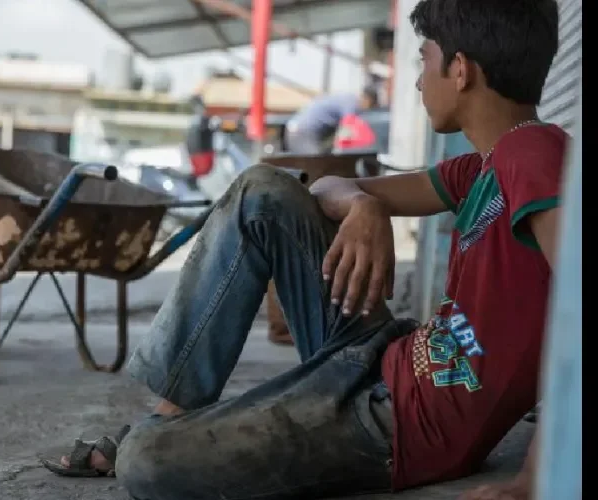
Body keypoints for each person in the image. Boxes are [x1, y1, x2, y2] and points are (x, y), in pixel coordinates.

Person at [39, 1, 564, 499]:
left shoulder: (534, 154)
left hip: (399, 426)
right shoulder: (481, 168)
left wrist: (535, 476)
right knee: (262, 193)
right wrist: (365, 205)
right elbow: (318, 191)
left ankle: (160, 436)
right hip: (382, 357)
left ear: (462, 70)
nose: (418, 78)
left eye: (424, 58)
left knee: (144, 463)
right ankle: (173, 412)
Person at [284, 87, 379, 155]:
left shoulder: (345, 98)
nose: (367, 109)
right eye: (370, 105)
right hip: (303, 131)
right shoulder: (352, 102)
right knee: (314, 166)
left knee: (312, 164)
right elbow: (347, 126)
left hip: (299, 129)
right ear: (367, 99)